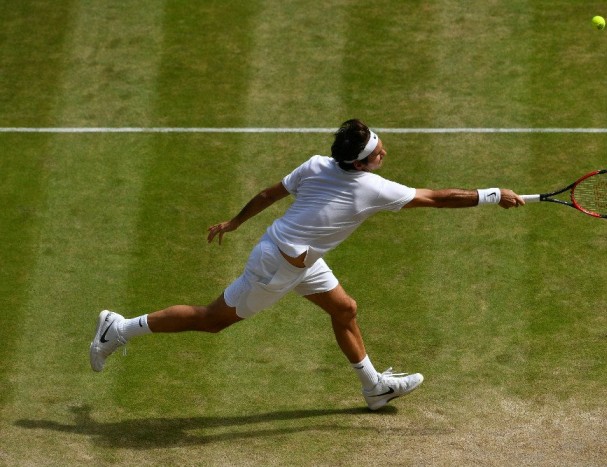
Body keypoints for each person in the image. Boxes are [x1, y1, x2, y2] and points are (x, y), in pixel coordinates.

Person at [90, 119, 525, 410]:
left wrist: (236, 221)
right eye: (377, 153)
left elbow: (269, 195)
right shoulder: (370, 188)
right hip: (277, 265)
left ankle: (374, 388)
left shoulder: (318, 164)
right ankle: (121, 327)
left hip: (298, 257)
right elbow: (436, 198)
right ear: (359, 163)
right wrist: (492, 194)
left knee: (344, 309)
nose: (383, 153)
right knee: (211, 320)